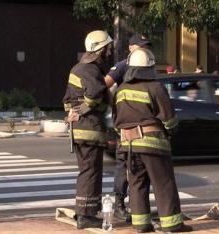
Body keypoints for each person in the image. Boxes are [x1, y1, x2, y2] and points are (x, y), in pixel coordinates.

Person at [112, 48, 193, 233]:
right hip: (152, 144)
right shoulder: (155, 87)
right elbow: (169, 119)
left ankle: (140, 224)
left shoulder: (122, 89)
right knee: (163, 183)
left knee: (136, 184)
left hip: (128, 145)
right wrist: (171, 132)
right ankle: (172, 224)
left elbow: (117, 122)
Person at [62, 30, 112, 229]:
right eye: (107, 47)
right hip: (90, 128)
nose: (109, 51)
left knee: (87, 171)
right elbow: (94, 93)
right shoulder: (91, 70)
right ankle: (86, 215)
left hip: (80, 130)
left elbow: (67, 100)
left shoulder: (77, 68)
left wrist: (72, 115)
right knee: (91, 172)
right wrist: (83, 109)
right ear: (100, 49)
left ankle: (87, 211)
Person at [104, 34, 151, 222]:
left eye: (146, 46)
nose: (144, 49)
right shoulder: (123, 65)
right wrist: (114, 106)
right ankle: (119, 204)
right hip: (127, 124)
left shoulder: (148, 64)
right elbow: (104, 85)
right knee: (124, 163)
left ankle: (138, 205)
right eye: (141, 46)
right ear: (131, 48)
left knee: (141, 167)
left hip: (144, 124)